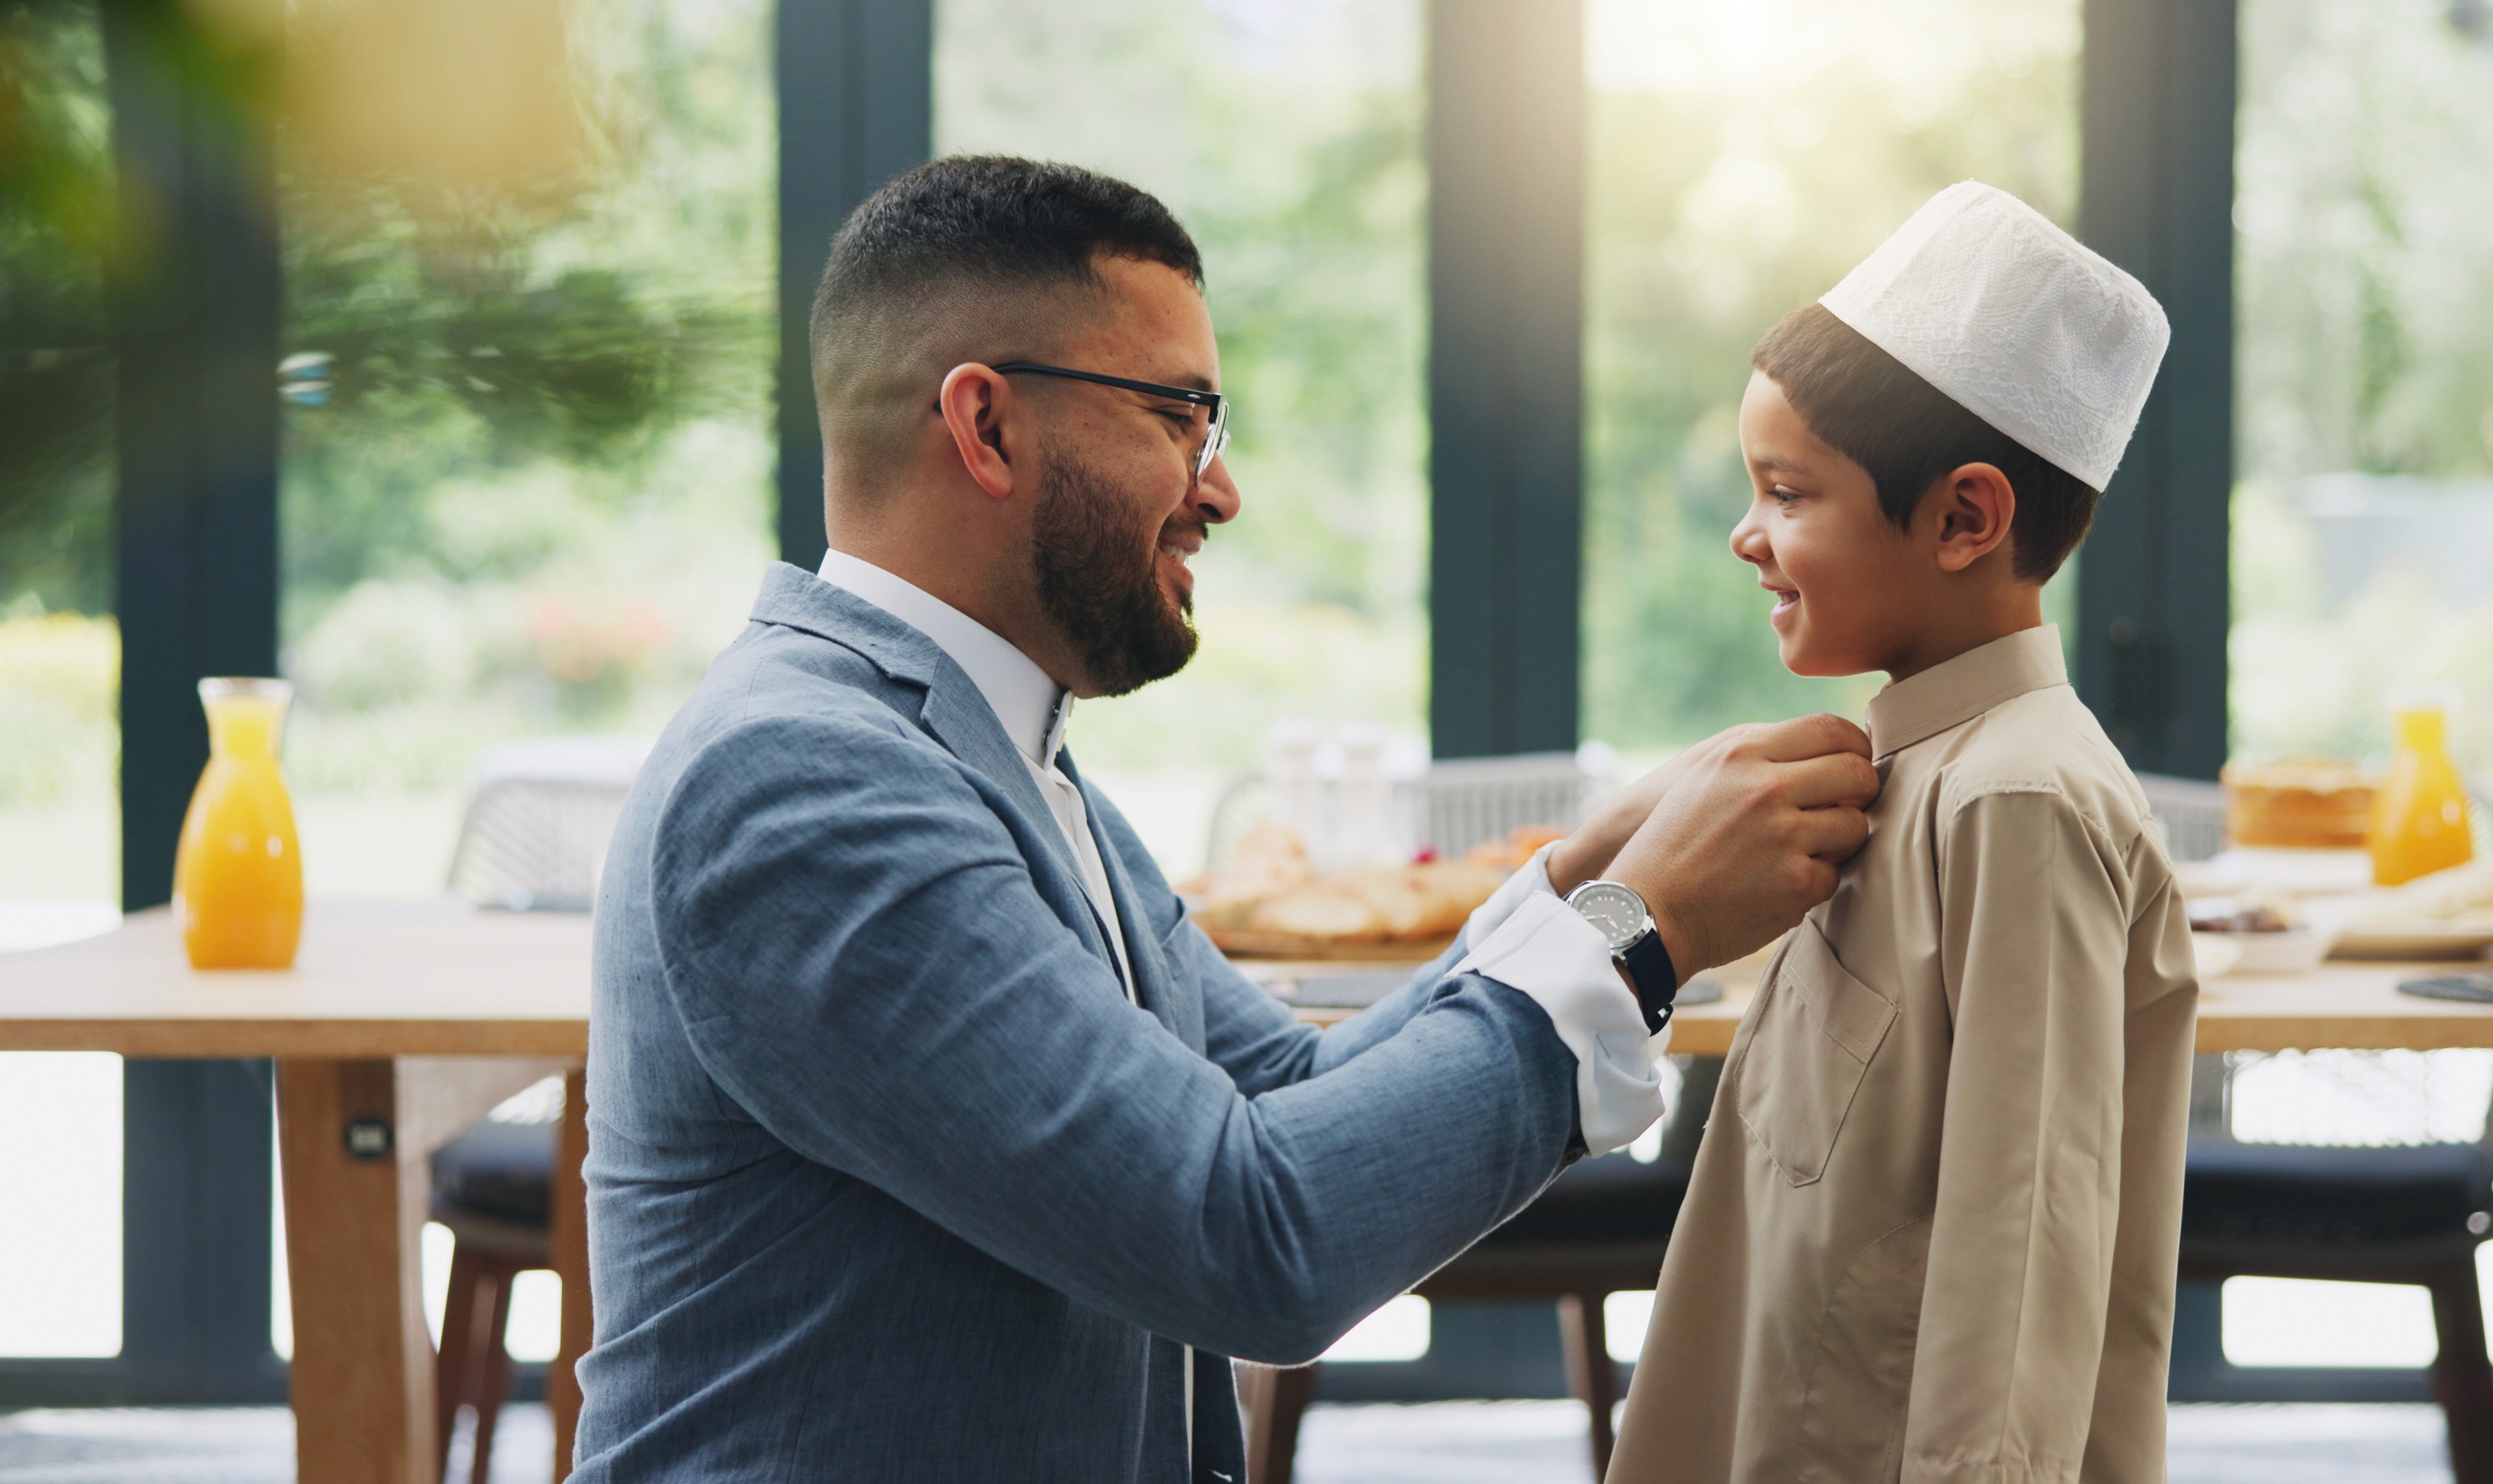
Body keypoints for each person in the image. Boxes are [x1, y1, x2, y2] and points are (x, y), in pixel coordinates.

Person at [568, 155, 1881, 1482]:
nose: (1220, 487)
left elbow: (1292, 1096)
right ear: (987, 426)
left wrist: (1576, 877)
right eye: (1182, 416)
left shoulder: (1000, 756)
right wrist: (1637, 935)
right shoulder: (802, 782)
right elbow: (1249, 1236)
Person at [1605, 181, 2201, 1484]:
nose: (1745, 534)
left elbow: (2021, 1246)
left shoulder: (2017, 799)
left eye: (1789, 492)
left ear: (1965, 519)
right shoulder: (1902, 770)